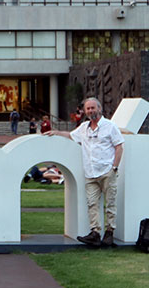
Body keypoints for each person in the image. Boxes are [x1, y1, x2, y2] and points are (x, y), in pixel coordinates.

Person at [46, 97, 124, 248]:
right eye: (88, 109)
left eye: (93, 108)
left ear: (100, 109)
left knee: (110, 203)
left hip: (107, 171)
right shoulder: (83, 127)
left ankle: (109, 233)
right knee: (92, 204)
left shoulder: (110, 126)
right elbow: (71, 135)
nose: (90, 111)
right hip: (90, 173)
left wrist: (114, 168)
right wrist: (56, 132)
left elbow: (119, 146)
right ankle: (95, 233)